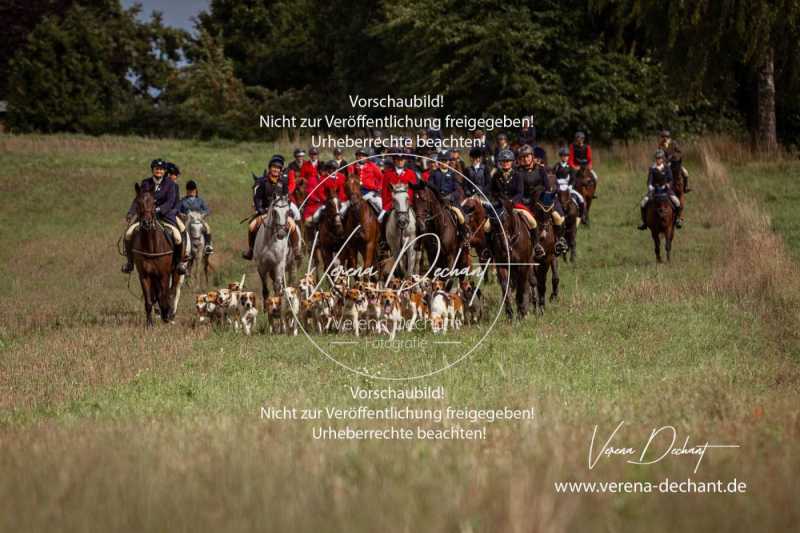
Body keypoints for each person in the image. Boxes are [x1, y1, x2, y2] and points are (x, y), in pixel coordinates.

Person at [122, 159, 187, 274]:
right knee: (128, 233)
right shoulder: (145, 183)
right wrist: (131, 212)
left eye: (161, 169)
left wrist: (158, 210)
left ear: (164, 171)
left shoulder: (170, 184)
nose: (159, 171)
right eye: (157, 169)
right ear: (152, 170)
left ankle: (179, 263)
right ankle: (130, 262)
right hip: (146, 216)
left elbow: (170, 201)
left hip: (165, 215)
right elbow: (138, 199)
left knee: (178, 235)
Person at [242, 154, 302, 261]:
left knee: (292, 226)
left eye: (278, 168)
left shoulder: (283, 183)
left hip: (280, 212)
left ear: (280, 170)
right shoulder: (262, 182)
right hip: (265, 211)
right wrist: (260, 208)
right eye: (274, 167)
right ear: (270, 168)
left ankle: (296, 249)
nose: (275, 170)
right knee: (251, 226)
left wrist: (286, 209)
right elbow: (257, 198)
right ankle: (251, 250)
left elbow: (287, 198)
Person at [489, 149, 543, 257]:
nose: (505, 163)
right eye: (503, 161)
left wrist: (512, 201)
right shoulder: (495, 176)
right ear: (500, 162)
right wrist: (496, 200)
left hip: (514, 205)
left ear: (512, 162)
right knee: (486, 226)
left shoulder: (518, 175)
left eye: (508, 161)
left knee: (532, 221)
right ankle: (488, 250)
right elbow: (492, 191)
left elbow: (520, 192)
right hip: (499, 206)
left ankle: (536, 245)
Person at [638, 149, 683, 230]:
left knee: (677, 202)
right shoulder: (652, 168)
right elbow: (649, 180)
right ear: (655, 159)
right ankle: (644, 222)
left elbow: (671, 179)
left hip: (666, 190)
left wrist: (668, 185)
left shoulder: (667, 167)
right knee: (643, 202)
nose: (658, 160)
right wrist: (650, 186)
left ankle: (677, 219)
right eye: (657, 158)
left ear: (663, 159)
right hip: (655, 190)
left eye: (660, 158)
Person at [303, 160, 346, 227]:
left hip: (339, 201)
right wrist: (326, 201)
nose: (332, 170)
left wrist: (340, 200)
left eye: (334, 168)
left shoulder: (341, 177)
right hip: (326, 202)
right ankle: (316, 229)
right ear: (328, 169)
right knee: (315, 216)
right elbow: (320, 192)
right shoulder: (323, 179)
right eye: (330, 168)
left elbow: (342, 191)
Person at [342, 148, 383, 216]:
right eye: (359, 155)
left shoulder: (372, 166)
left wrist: (378, 188)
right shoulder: (352, 166)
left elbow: (381, 177)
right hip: (356, 193)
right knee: (342, 209)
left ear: (367, 157)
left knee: (381, 205)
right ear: (356, 157)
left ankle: (383, 223)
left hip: (370, 192)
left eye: (363, 156)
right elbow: (349, 178)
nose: (361, 157)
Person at [179, 180, 214, 255]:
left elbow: (207, 210)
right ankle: (183, 246)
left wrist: (204, 214)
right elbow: (178, 210)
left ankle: (208, 245)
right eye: (189, 190)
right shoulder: (182, 201)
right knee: (182, 230)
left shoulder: (200, 200)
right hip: (187, 220)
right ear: (187, 191)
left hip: (199, 219)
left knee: (207, 227)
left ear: (195, 190)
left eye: (193, 190)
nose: (191, 192)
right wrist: (182, 215)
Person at [380, 152, 417, 222]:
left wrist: (411, 202)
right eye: (398, 160)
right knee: (380, 219)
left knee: (419, 221)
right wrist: (385, 206)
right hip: (391, 203)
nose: (400, 162)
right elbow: (384, 191)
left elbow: (413, 190)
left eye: (402, 160)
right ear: (394, 161)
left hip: (407, 203)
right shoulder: (387, 174)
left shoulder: (411, 173)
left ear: (405, 160)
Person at [553, 146, 586, 219]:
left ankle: (581, 216)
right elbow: (553, 176)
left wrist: (571, 186)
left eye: (567, 156)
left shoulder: (570, 167)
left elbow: (573, 178)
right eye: (564, 156)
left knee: (580, 198)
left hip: (567, 186)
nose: (565, 157)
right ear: (561, 157)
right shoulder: (556, 166)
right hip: (558, 187)